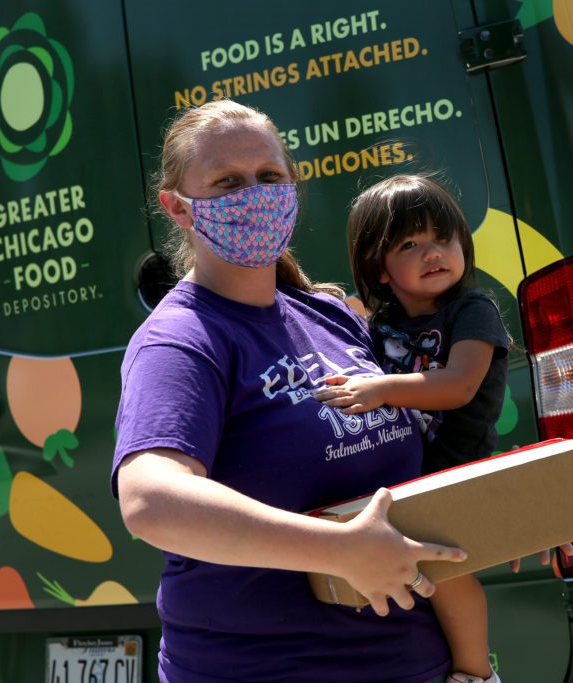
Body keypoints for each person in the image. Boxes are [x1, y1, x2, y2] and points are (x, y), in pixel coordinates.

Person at [112, 100, 466, 683]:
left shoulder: (326, 312)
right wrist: (337, 549)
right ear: (178, 208)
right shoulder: (180, 341)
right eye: (227, 181)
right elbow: (151, 502)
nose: (254, 194)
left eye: (270, 178)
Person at [314, 174, 508, 683]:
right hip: (404, 479)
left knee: (447, 575)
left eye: (442, 238)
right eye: (410, 244)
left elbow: (458, 385)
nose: (432, 252)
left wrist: (378, 390)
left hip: (457, 469)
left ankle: (474, 672)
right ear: (379, 271)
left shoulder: (474, 311)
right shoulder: (378, 326)